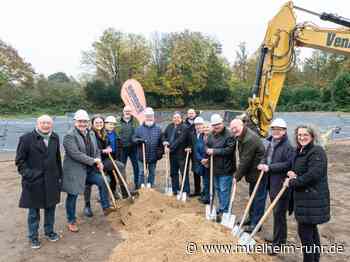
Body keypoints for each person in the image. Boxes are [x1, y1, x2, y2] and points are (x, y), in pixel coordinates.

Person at [62, 110, 115, 233]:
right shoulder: (69, 136)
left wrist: (99, 161)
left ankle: (106, 207)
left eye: (85, 121)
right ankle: (71, 221)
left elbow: (96, 150)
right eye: (80, 121)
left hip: (89, 170)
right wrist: (93, 160)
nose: (82, 124)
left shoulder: (90, 133)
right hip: (75, 171)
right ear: (75, 121)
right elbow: (76, 154)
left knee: (104, 180)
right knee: (73, 195)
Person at [284, 125, 330, 262]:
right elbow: (303, 170)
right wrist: (294, 174)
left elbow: (313, 175)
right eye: (299, 135)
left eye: (305, 135)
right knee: (311, 232)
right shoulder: (301, 150)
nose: (302, 137)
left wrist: (292, 182)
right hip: (304, 199)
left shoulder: (317, 151)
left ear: (312, 136)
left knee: (305, 234)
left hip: (312, 199)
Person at [15, 115, 62, 249]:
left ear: (51, 124)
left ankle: (49, 232)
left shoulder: (55, 137)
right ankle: (33, 237)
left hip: (52, 180)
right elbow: (20, 161)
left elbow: (57, 158)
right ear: (37, 123)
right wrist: (31, 175)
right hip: (34, 182)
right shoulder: (26, 139)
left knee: (50, 209)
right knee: (34, 212)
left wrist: (59, 176)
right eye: (43, 123)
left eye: (48, 123)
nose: (46, 125)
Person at [257, 118, 294, 253]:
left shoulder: (288, 146)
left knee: (279, 214)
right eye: (274, 129)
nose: (276, 132)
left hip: (281, 184)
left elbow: (288, 164)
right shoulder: (270, 141)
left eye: (279, 129)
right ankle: (277, 238)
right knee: (276, 212)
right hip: (271, 182)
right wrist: (262, 163)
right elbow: (265, 156)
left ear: (284, 131)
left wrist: (269, 167)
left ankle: (279, 243)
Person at [83, 115, 126, 218]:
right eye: (96, 123)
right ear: (92, 124)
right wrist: (103, 151)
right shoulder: (89, 134)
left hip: (103, 160)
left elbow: (105, 145)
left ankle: (123, 192)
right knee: (87, 184)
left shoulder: (103, 133)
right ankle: (87, 205)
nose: (99, 124)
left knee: (119, 166)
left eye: (101, 122)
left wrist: (108, 147)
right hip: (90, 163)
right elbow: (90, 150)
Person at [230, 118, 265, 232]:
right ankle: (251, 218)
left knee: (258, 198)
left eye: (236, 127)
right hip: (252, 172)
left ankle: (256, 224)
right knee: (252, 196)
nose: (234, 130)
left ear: (242, 125)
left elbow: (245, 160)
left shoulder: (249, 139)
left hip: (259, 173)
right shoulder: (241, 136)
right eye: (232, 128)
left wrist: (237, 176)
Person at [206, 114, 236, 222]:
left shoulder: (229, 135)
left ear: (222, 123)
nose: (216, 127)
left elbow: (229, 150)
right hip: (215, 168)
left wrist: (214, 151)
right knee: (218, 189)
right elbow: (207, 145)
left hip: (226, 168)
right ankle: (222, 208)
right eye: (214, 125)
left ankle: (224, 211)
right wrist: (207, 156)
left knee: (224, 190)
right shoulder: (211, 134)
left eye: (218, 124)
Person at [132, 107, 163, 188]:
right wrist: (139, 140)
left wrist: (159, 153)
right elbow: (133, 139)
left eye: (150, 116)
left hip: (153, 156)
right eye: (147, 116)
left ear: (153, 117)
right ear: (144, 117)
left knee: (152, 172)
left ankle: (150, 186)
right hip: (142, 155)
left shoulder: (158, 129)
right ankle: (141, 188)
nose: (149, 117)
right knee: (142, 172)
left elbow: (161, 142)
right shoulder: (139, 129)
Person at [163, 112, 191, 195]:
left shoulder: (184, 127)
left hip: (182, 154)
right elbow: (164, 135)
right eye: (174, 117)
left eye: (178, 117)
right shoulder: (169, 126)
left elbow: (180, 140)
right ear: (172, 119)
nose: (176, 119)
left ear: (181, 119)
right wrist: (164, 141)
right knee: (173, 172)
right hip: (172, 155)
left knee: (184, 172)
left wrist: (170, 148)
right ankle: (175, 189)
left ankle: (186, 191)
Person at [104, 115, 127, 198]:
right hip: (105, 157)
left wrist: (119, 157)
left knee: (115, 176)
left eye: (113, 124)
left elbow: (120, 147)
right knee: (119, 168)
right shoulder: (102, 134)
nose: (112, 126)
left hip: (114, 156)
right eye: (110, 124)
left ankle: (117, 192)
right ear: (105, 124)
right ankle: (123, 192)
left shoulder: (115, 134)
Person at [118, 106, 139, 190]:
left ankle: (137, 184)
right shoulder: (118, 121)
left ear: (131, 112)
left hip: (134, 148)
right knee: (122, 167)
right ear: (123, 111)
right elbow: (116, 133)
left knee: (136, 166)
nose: (127, 112)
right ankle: (123, 186)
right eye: (126, 111)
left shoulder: (135, 121)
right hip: (122, 148)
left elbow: (138, 132)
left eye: (129, 111)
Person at [184, 108, 200, 196]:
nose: (190, 114)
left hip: (195, 149)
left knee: (196, 170)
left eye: (192, 113)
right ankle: (186, 188)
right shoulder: (184, 123)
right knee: (185, 168)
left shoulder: (198, 122)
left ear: (195, 113)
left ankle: (197, 190)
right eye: (189, 113)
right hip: (186, 149)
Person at [195, 120, 211, 204]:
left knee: (209, 181)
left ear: (211, 128)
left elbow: (213, 150)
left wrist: (207, 160)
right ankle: (205, 195)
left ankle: (208, 198)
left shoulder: (213, 137)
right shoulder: (200, 137)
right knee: (205, 180)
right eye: (204, 127)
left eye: (207, 127)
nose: (205, 129)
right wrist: (201, 159)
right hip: (202, 163)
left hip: (210, 163)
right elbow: (196, 150)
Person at [190, 116, 204, 197]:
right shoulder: (192, 134)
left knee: (205, 176)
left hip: (203, 159)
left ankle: (205, 192)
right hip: (195, 158)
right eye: (196, 125)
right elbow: (190, 144)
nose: (198, 126)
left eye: (200, 124)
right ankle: (197, 191)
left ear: (202, 125)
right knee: (196, 175)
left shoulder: (205, 134)